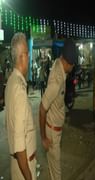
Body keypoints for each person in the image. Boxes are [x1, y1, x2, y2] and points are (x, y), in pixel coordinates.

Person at [39, 38, 77, 180]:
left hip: (56, 129)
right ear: (66, 62)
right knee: (57, 172)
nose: (72, 68)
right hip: (52, 133)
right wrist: (43, 137)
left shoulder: (58, 63)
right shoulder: (57, 81)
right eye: (72, 65)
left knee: (54, 170)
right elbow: (42, 108)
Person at [5, 32, 36, 180]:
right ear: (22, 56)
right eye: (28, 54)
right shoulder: (19, 90)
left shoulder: (11, 82)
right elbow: (19, 145)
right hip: (24, 167)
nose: (29, 58)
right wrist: (29, 177)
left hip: (17, 164)